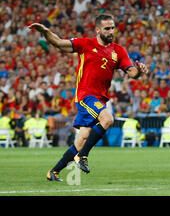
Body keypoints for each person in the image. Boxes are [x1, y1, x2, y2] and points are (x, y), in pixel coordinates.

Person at [29, 13, 148, 181]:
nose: (111, 31)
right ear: (98, 30)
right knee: (108, 119)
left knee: (82, 139)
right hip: (85, 95)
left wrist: (140, 71)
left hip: (100, 99)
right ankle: (82, 157)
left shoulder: (118, 50)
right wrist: (46, 31)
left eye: (112, 28)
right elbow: (58, 43)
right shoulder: (85, 44)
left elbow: (132, 72)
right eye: (107, 28)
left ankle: (53, 172)